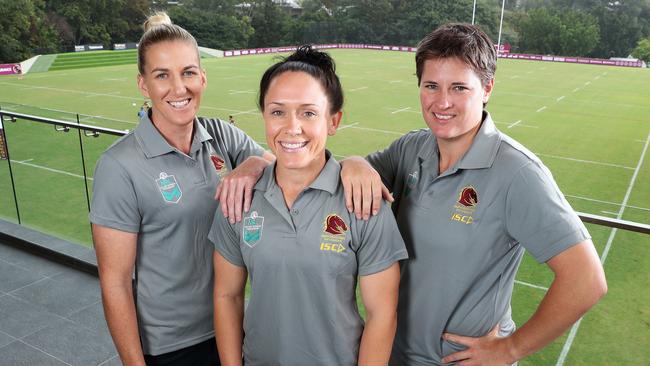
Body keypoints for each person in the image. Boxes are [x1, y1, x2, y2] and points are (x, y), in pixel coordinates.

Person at [340, 23, 607, 365]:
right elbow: (339, 179)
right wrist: (354, 161)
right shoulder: (412, 147)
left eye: (459, 88)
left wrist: (510, 349)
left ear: (487, 89)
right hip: (394, 353)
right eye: (431, 86)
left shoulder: (518, 172)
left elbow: (586, 279)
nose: (443, 102)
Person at [89, 12, 273, 366]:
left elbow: (279, 165)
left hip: (232, 324)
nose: (179, 88)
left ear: (202, 77)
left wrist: (253, 163)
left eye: (188, 72)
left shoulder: (222, 135)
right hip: (170, 346)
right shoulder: (119, 166)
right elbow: (114, 284)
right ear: (144, 85)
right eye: (162, 75)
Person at [209, 45, 408, 366]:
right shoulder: (238, 196)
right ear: (264, 116)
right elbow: (227, 296)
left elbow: (382, 314)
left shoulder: (364, 201)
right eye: (277, 112)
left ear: (334, 120)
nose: (292, 127)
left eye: (308, 112)